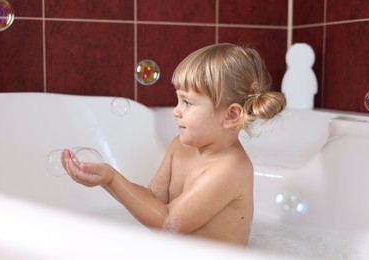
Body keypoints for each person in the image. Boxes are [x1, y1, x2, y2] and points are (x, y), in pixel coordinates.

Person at [61, 43, 286, 246]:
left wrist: (112, 178)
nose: (176, 110)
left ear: (230, 116)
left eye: (187, 102)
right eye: (178, 99)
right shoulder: (180, 146)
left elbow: (169, 223)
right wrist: (105, 181)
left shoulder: (230, 169)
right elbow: (154, 199)